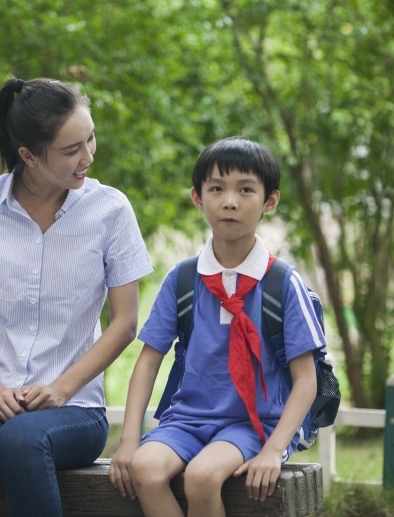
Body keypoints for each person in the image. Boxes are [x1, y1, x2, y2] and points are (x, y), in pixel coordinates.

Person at [0, 77, 153, 517]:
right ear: (29, 156)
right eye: (71, 150)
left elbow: (125, 323)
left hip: (74, 406)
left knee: (22, 439)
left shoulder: (110, 210)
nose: (88, 156)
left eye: (89, 139)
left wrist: (59, 389)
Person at [109, 137, 325, 517]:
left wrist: (274, 450)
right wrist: (128, 440)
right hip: (187, 419)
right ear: (197, 197)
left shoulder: (281, 283)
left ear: (269, 201)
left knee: (202, 477)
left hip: (254, 424)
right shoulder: (183, 279)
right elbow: (147, 362)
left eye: (246, 190)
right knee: (144, 467)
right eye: (216, 189)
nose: (229, 201)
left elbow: (306, 379)